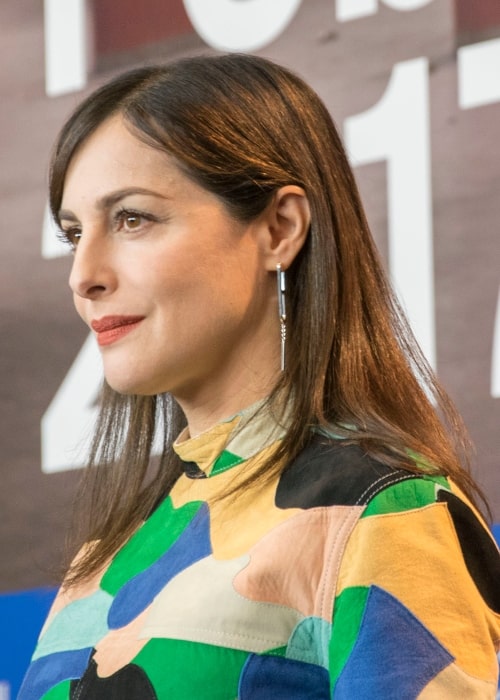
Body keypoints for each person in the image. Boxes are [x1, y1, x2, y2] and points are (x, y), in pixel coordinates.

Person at [20, 54, 499, 699]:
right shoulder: (104, 555)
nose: (84, 275)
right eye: (75, 233)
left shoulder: (382, 514)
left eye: (132, 218)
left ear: (280, 228)